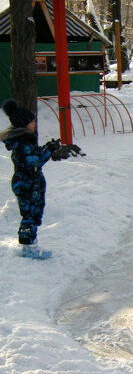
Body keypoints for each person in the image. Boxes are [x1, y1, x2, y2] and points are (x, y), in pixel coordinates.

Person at [1, 98, 68, 259]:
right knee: (30, 215)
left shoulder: (24, 141)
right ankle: (28, 248)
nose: (34, 123)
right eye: (32, 121)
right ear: (24, 124)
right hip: (27, 184)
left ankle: (31, 243)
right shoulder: (23, 142)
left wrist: (47, 147)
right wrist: (48, 152)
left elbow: (34, 156)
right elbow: (34, 162)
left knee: (33, 214)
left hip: (29, 183)